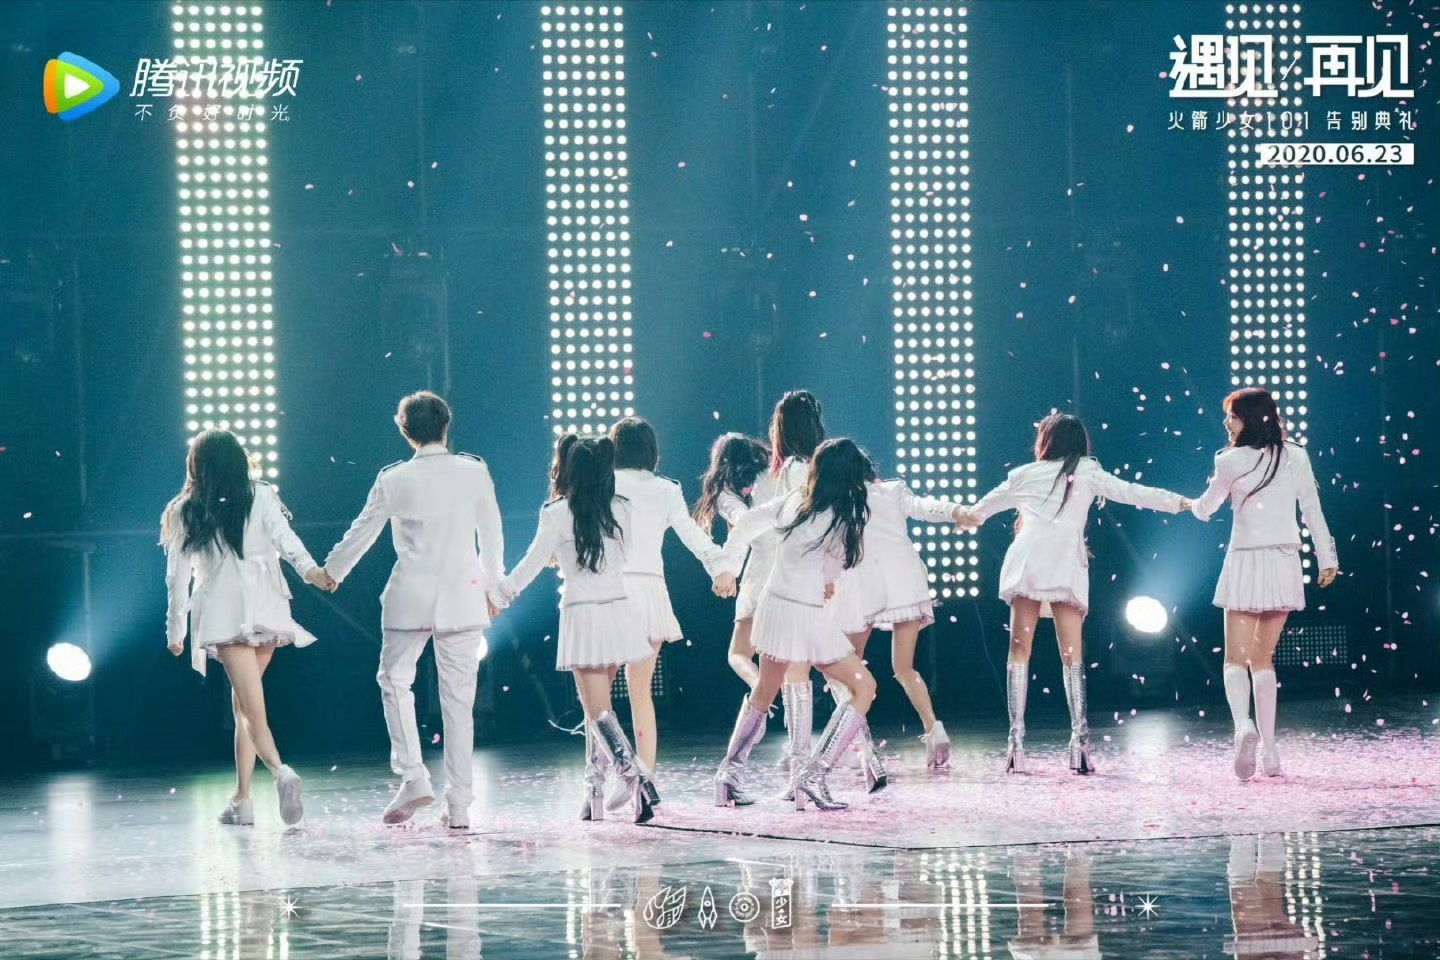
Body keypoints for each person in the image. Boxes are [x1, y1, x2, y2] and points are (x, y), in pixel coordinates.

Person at [959, 412, 1189, 775]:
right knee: (1072, 654)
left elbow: (978, 512)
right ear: (1079, 442)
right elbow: (1132, 492)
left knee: (1019, 651)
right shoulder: (1087, 471)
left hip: (1028, 561)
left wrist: (951, 515)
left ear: (1046, 441)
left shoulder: (1024, 475)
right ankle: (1079, 744)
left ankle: (1016, 745)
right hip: (1063, 563)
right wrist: (1179, 502)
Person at [324, 391, 505, 829]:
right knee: (458, 703)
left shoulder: (394, 478)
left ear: (405, 432)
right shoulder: (474, 471)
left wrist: (332, 571)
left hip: (410, 597)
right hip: (463, 597)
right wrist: (494, 590)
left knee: (394, 681)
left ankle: (413, 775)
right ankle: (459, 805)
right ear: (446, 426)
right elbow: (492, 537)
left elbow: (362, 532)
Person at [162, 429, 334, 827]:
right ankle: (242, 799)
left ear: (197, 465)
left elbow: (177, 578)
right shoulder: (262, 494)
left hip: (226, 612)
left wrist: (175, 631)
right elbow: (287, 542)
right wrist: (311, 572)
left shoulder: (186, 508)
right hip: (267, 604)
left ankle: (280, 771)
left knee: (251, 708)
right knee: (243, 705)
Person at [490, 437, 657, 823]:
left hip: (584, 616)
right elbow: (625, 554)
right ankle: (593, 792)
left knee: (597, 712)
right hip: (618, 612)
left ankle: (636, 780)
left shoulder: (556, 513)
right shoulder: (621, 508)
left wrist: (500, 595)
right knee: (600, 710)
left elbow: (531, 564)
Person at [712, 438, 881, 812]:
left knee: (765, 689)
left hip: (774, 608)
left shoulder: (794, 501)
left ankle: (728, 778)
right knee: (864, 687)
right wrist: (827, 578)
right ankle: (814, 775)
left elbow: (746, 524)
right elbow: (835, 572)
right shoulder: (841, 516)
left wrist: (726, 567)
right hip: (805, 615)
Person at [1188, 387, 1337, 780]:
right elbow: (1312, 510)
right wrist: (1328, 559)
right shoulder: (1297, 455)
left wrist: (1191, 506)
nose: (1227, 422)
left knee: (1235, 660)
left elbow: (1206, 507)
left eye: (1233, 416)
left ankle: (1243, 727)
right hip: (1284, 560)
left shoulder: (1228, 460)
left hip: (1245, 560)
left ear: (1250, 419)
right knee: (1263, 659)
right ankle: (1270, 753)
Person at [608, 417, 736, 793]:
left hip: (611, 592)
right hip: (649, 594)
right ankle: (644, 777)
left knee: (599, 696)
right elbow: (693, 535)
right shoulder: (666, 489)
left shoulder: (602, 483)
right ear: (652, 451)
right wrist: (721, 567)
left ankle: (597, 783)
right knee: (640, 690)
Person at [829, 474, 969, 777]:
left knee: (848, 666)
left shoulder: (838, 497)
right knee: (905, 668)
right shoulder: (892, 490)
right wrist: (956, 511)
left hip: (865, 583)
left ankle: (857, 742)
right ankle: (934, 728)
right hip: (905, 581)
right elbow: (923, 507)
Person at [694, 432, 774, 690]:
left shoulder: (726, 493)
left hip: (762, 571)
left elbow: (744, 524)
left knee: (739, 654)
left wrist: (728, 571)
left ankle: (762, 693)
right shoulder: (773, 474)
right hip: (795, 566)